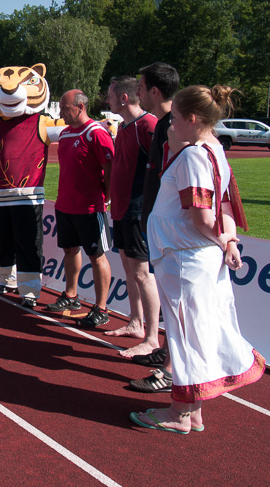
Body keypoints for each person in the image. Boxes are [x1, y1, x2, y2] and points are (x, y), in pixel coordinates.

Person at [130, 84, 265, 434]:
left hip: (185, 258)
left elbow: (203, 216)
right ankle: (192, 411)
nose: (170, 124)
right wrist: (228, 240)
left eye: (175, 118)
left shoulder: (194, 156)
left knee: (185, 336)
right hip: (190, 256)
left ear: (192, 119)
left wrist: (223, 239)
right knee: (194, 332)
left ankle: (179, 413)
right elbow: (225, 205)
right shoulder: (214, 149)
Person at [129, 62, 180, 393]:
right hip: (157, 223)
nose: (137, 93)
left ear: (154, 91)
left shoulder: (173, 126)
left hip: (171, 229)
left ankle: (171, 370)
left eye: (141, 87)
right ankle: (167, 354)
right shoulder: (163, 124)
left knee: (175, 303)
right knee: (168, 297)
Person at [46, 90, 115, 328]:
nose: (61, 113)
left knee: (96, 255)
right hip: (65, 204)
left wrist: (107, 197)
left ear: (81, 107)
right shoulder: (65, 133)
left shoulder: (96, 133)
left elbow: (110, 168)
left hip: (90, 207)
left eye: (65, 108)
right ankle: (71, 295)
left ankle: (101, 307)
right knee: (69, 250)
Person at [104, 76, 160, 356]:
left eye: (110, 95)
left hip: (138, 212)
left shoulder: (148, 125)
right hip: (122, 209)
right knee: (128, 268)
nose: (107, 100)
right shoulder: (124, 127)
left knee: (142, 272)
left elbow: (161, 168)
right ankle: (136, 322)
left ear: (124, 98)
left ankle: (152, 338)